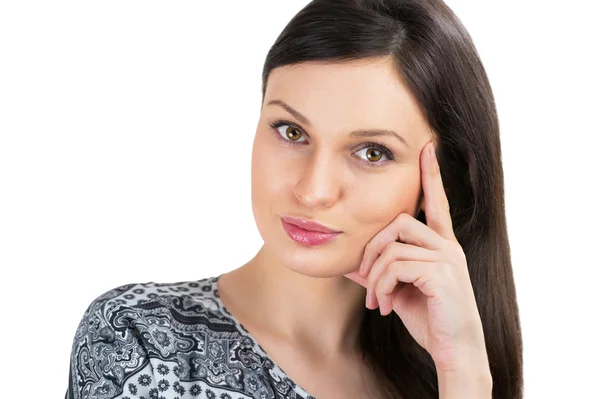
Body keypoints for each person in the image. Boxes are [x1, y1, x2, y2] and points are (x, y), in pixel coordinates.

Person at [65, 0, 523, 398]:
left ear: (440, 179)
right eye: (292, 131)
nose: (313, 190)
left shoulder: (441, 377)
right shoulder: (137, 339)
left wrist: (463, 370)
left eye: (372, 152)